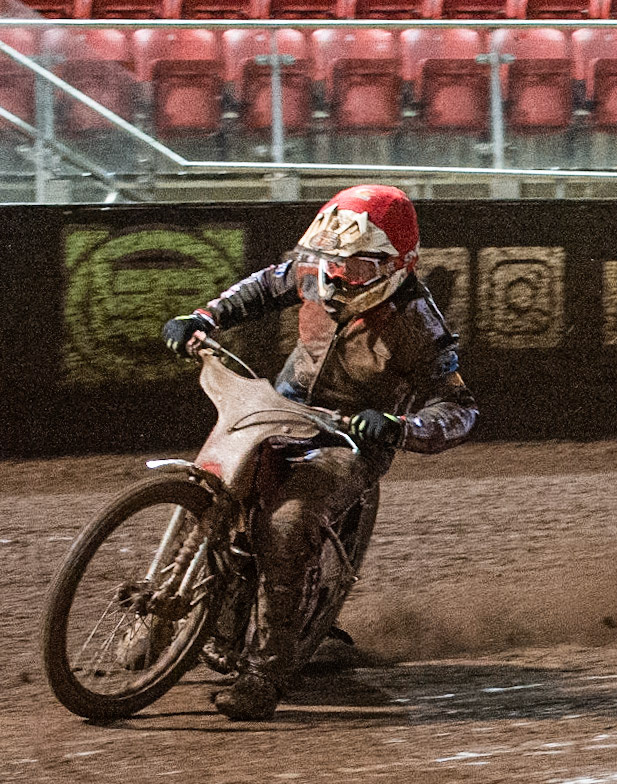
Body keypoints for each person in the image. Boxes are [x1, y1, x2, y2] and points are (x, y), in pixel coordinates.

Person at [160, 184, 477, 722]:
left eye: (354, 270)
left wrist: (400, 427)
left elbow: (461, 409)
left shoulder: (420, 324)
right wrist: (204, 317)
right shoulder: (316, 272)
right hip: (279, 408)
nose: (334, 279)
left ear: (398, 266)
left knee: (287, 524)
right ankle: (156, 615)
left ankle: (265, 675)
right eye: (328, 264)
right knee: (208, 485)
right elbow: (264, 286)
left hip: (348, 439)